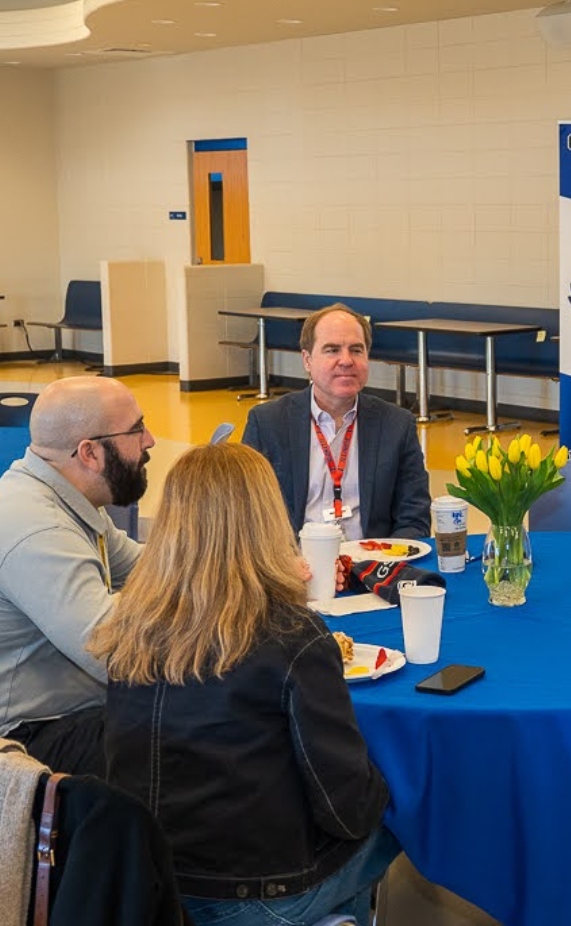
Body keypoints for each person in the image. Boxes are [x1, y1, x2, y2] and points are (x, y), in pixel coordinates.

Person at [89, 443, 398, 926]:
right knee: (395, 825)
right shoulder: (292, 636)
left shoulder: (130, 626)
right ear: (267, 519)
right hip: (258, 894)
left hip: (150, 885)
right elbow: (346, 810)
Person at [0, 375, 153, 776]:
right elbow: (115, 654)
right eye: (137, 430)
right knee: (206, 737)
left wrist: (243, 570)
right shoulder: (39, 527)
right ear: (89, 453)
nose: (150, 440)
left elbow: (152, 570)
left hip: (74, 713)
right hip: (31, 736)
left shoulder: (70, 500)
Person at [243, 303, 431, 540]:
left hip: (371, 559)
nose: (346, 360)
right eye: (332, 350)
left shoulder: (397, 425)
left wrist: (384, 559)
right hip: (293, 560)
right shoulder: (268, 423)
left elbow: (414, 519)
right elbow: (245, 516)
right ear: (307, 360)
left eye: (356, 350)